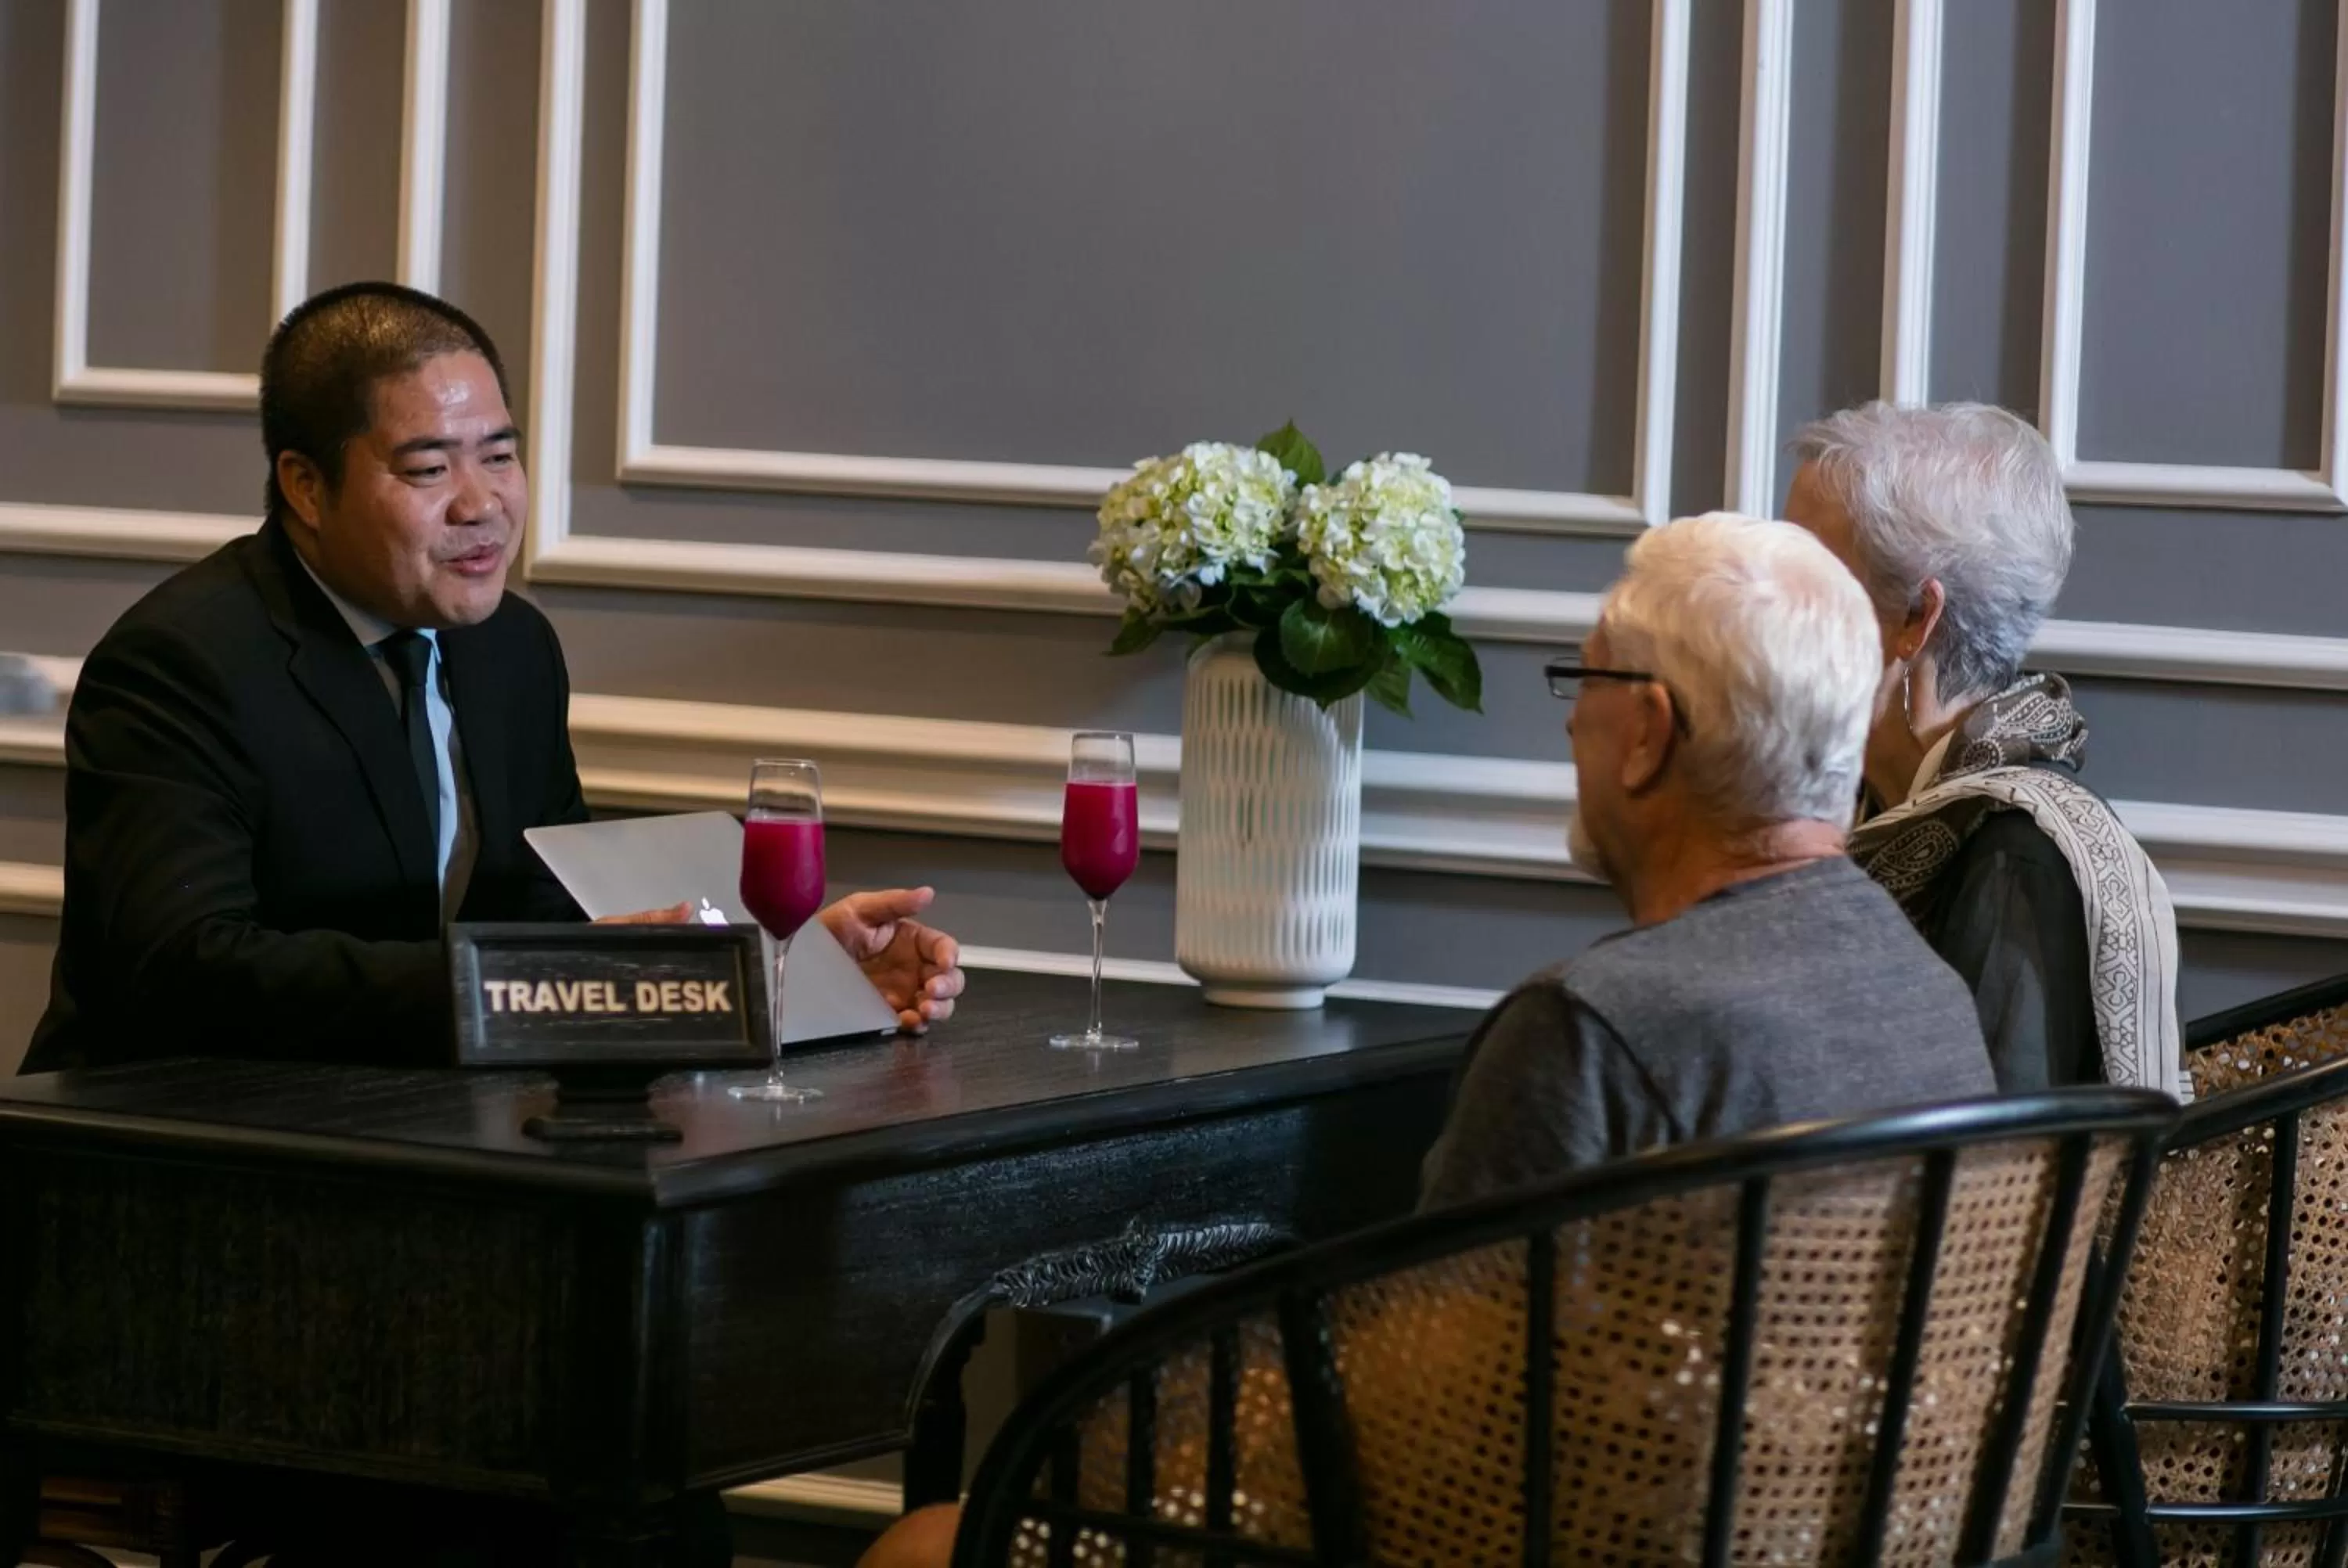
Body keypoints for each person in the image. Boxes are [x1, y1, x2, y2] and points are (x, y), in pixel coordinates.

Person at [851, 514, 1998, 1568]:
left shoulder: (1594, 1033)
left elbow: (1431, 1434)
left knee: (929, 1547)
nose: (1568, 717)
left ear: (1648, 733)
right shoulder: (1929, 994)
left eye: (1584, 678)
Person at [24, 282, 964, 1075]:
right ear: (306, 488)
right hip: (169, 1152)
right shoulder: (183, 662)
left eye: (501, 456)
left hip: (425, 1132)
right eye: (430, 467)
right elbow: (181, 968)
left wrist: (781, 970)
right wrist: (537, 976)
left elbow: (551, 912)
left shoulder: (511, 648)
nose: (483, 505)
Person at [1784, 401, 2183, 1097]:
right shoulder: (1845, 800)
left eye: (1803, 578)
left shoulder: (2018, 857)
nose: (1765, 603)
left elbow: (1996, 1185)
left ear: (1916, 619)